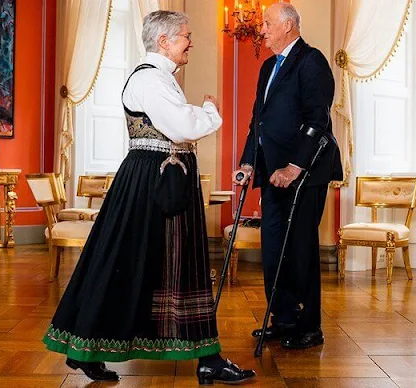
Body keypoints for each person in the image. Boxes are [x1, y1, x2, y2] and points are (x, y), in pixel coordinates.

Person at [42, 11, 255, 385]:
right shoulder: (151, 81)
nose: (191, 42)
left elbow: (177, 126)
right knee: (142, 263)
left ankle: (205, 356)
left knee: (158, 265)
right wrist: (209, 112)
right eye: (186, 36)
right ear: (164, 41)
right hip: (153, 181)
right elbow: (183, 126)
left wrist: (194, 116)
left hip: (158, 177)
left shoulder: (159, 79)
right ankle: (92, 347)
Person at [232, 3, 342, 350]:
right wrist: (249, 163)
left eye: (266, 24)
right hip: (272, 173)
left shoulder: (312, 61)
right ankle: (283, 319)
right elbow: (258, 121)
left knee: (301, 248)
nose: (260, 30)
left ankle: (309, 327)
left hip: (305, 173)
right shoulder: (268, 66)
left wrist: (294, 166)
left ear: (288, 26)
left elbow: (317, 120)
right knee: (273, 248)